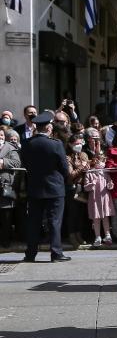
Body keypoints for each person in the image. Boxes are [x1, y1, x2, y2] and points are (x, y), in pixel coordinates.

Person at [21, 110, 71, 263]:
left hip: (35, 188)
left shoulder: (27, 144)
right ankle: (56, 253)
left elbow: (25, 164)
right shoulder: (56, 144)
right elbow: (64, 168)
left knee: (34, 222)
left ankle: (30, 253)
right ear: (49, 127)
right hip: (55, 188)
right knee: (54, 221)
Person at [84, 155, 115, 247]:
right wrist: (92, 183)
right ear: (96, 162)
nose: (103, 163)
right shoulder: (89, 173)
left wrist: (110, 185)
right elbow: (86, 188)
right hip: (94, 199)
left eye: (104, 161)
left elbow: (110, 186)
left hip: (104, 198)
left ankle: (107, 235)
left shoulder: (105, 173)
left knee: (105, 217)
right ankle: (97, 237)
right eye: (102, 161)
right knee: (96, 219)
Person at [0, 129, 21, 248]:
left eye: (2, 135)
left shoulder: (10, 147)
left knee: (6, 216)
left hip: (5, 185)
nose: (0, 137)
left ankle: (5, 241)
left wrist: (3, 162)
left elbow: (17, 163)